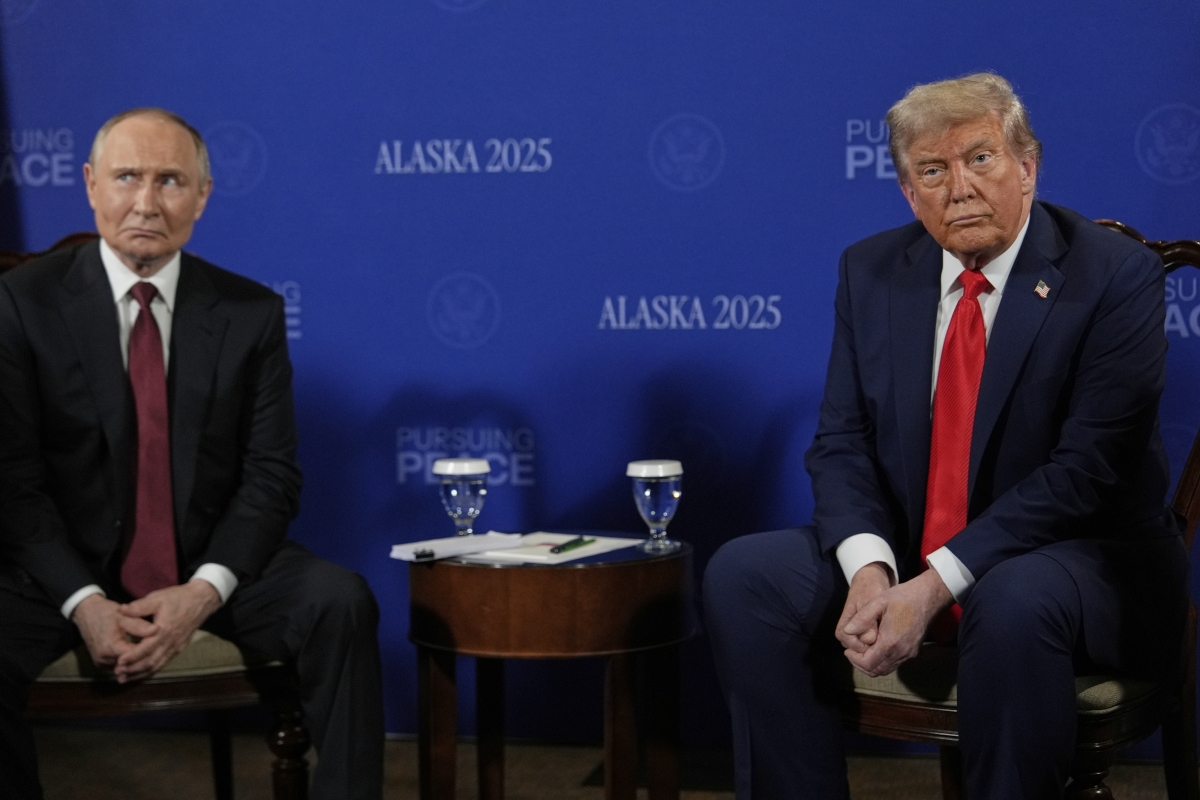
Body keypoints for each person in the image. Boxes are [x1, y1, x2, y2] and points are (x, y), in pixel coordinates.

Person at [703, 73, 1189, 799]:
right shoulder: (870, 270)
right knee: (746, 575)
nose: (959, 188)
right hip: (913, 544)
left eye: (981, 158)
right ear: (909, 192)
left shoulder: (1114, 275)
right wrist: (872, 572)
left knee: (1011, 596)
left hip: (1083, 559)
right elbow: (842, 442)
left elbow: (1087, 472)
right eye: (932, 171)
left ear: (1028, 167)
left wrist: (935, 585)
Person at [0, 108, 384, 799]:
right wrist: (84, 602)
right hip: (63, 571)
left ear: (202, 196)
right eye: (126, 177)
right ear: (89, 185)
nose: (147, 202)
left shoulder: (250, 312)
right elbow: (12, 482)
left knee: (338, 601)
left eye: (171, 180)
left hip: (205, 560)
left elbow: (271, 477)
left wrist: (202, 592)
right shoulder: (21, 304)